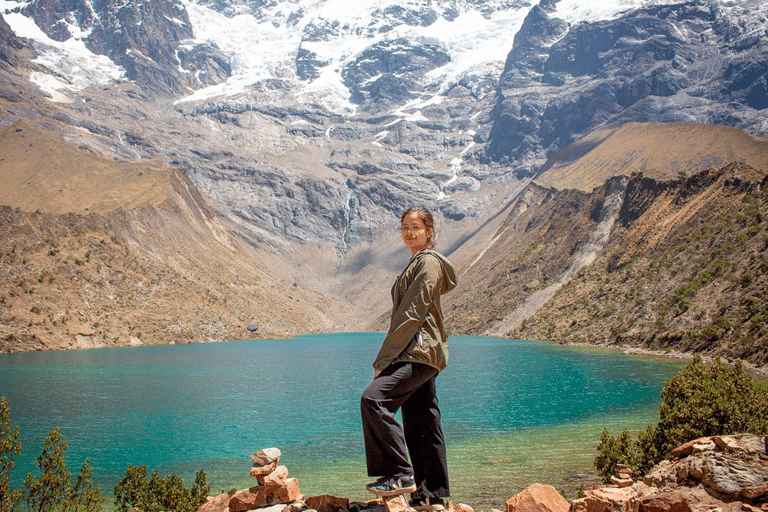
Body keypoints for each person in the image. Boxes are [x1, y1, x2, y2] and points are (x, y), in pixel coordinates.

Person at [360, 207, 458, 512]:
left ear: (429, 231)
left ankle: (400, 474)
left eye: (415, 227)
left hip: (418, 351)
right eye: (404, 227)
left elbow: (412, 314)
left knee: (374, 399)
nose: (409, 232)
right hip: (424, 352)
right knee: (423, 421)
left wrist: (383, 362)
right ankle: (430, 495)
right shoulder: (417, 262)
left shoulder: (427, 262)